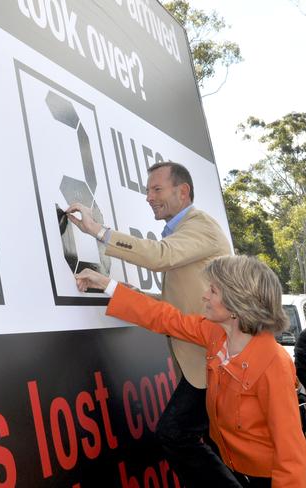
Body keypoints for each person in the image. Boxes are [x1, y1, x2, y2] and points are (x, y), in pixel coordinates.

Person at [76, 255, 306, 487]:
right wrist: (106, 284)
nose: (204, 295)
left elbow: (289, 455)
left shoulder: (275, 364)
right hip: (236, 470)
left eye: (213, 291)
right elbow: (166, 318)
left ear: (236, 302)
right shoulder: (215, 333)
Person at [66, 161, 232, 487]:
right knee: (212, 446)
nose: (148, 197)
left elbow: (159, 256)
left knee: (175, 432)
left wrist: (98, 230)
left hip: (214, 365)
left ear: (182, 192)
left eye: (157, 189)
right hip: (202, 367)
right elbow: (167, 309)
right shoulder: (185, 237)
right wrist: (109, 285)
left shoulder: (201, 227)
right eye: (147, 190)